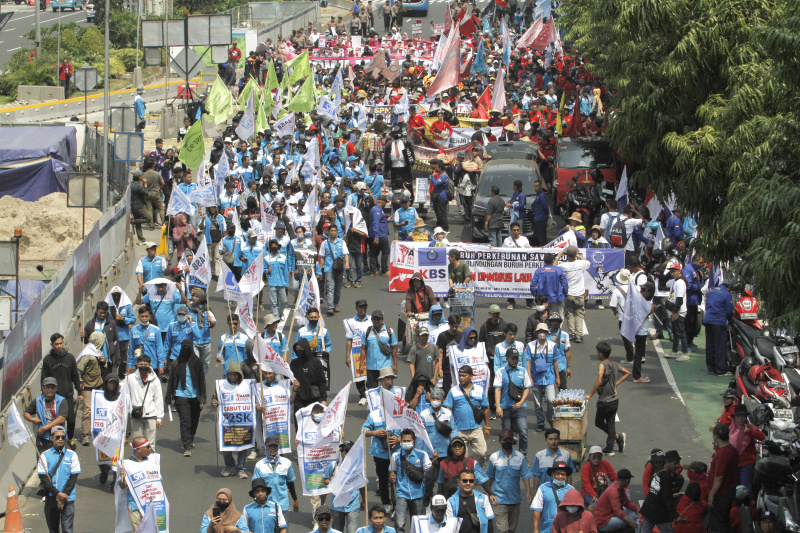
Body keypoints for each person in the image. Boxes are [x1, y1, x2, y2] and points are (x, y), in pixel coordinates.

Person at [585, 342, 629, 455]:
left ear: (601, 354)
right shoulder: (614, 364)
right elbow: (627, 373)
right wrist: (616, 384)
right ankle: (611, 445)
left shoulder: (602, 365)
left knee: (598, 422)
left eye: (597, 352)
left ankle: (616, 439)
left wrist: (590, 395)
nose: (597, 354)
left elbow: (599, 380)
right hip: (614, 400)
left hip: (604, 401)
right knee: (610, 423)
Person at [486, 429, 533, 533]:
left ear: (513, 441)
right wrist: (487, 494)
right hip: (499, 501)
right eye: (504, 440)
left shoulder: (520, 457)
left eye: (509, 440)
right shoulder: (494, 457)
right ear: (500, 441)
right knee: (503, 530)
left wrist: (528, 492)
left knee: (511, 530)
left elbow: (525, 475)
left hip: (515, 500)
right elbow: (489, 477)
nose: (507, 442)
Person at [444, 364, 491, 467]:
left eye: (464, 375)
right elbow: (448, 410)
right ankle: (465, 476)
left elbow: (485, 408)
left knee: (482, 453)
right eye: (460, 375)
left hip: (476, 428)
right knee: (461, 458)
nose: (461, 378)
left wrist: (487, 426)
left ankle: (476, 471)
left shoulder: (479, 390)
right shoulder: (453, 391)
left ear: (471, 376)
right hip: (459, 430)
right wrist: (449, 429)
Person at [165, 339, 205, 456]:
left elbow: (202, 381)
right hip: (181, 396)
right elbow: (171, 381)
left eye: (189, 347)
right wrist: (169, 397)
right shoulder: (176, 363)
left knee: (194, 419)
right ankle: (186, 445)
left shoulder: (197, 363)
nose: (186, 350)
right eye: (184, 348)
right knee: (185, 421)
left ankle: (191, 436)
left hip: (195, 396)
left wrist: (202, 398)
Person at [211, 361, 251, 479]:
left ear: (239, 375)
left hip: (242, 421)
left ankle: (240, 468)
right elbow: (215, 397)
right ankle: (229, 464)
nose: (233, 377)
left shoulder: (246, 385)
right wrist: (214, 402)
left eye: (235, 375)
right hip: (227, 422)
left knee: (243, 444)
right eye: (230, 375)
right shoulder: (221, 385)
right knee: (226, 443)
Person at [37, 425, 80, 533]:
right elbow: (44, 478)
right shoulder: (44, 456)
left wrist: (63, 497)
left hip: (67, 498)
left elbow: (73, 478)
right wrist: (57, 494)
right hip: (51, 498)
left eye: (62, 437)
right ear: (51, 438)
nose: (60, 439)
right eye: (57, 437)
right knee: (53, 529)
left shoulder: (72, 455)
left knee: (67, 530)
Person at [41, 333, 80, 448]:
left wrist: (80, 392)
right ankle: (57, 441)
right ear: (52, 345)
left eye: (60, 343)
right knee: (56, 421)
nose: (59, 346)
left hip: (67, 395)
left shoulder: (70, 358)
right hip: (54, 398)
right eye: (56, 344)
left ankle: (71, 437)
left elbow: (75, 376)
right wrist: (45, 395)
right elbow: (44, 379)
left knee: (71, 420)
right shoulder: (48, 360)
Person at [390, 429, 432, 533]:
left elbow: (430, 473)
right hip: (401, 494)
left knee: (417, 525)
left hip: (418, 494)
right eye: (404, 441)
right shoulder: (395, 456)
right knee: (399, 524)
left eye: (408, 441)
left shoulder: (422, 455)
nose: (406, 443)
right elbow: (392, 472)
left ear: (414, 440)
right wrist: (392, 477)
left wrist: (435, 463)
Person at [493, 348, 533, 455]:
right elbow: (497, 389)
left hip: (520, 408)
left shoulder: (523, 371)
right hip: (506, 408)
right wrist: (498, 406)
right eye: (513, 358)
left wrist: (520, 403)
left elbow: (527, 388)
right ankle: (508, 455)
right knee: (507, 436)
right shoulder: (500, 372)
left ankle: (522, 455)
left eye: (517, 358)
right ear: (507, 359)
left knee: (523, 433)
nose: (515, 360)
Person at [525, 323, 559, 431]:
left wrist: (558, 377)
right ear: (536, 333)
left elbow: (555, 361)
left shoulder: (553, 346)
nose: (542, 334)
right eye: (540, 331)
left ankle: (549, 417)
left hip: (549, 377)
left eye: (543, 332)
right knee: (537, 402)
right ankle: (540, 422)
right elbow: (528, 362)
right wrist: (529, 377)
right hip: (536, 378)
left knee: (551, 400)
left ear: (547, 333)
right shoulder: (530, 346)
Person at [554, 246, 591, 343]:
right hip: (579, 294)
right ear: (575, 255)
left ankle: (572, 333)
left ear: (566, 255)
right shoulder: (581, 263)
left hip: (569, 293)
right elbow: (588, 262)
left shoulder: (564, 265)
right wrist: (578, 256)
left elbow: (554, 267)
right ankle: (579, 335)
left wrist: (558, 256)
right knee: (579, 314)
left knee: (569, 314)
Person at [640, 449, 682, 533]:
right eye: (675, 463)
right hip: (659, 513)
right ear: (667, 462)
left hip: (647, 509)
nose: (677, 466)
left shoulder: (657, 471)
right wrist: (676, 516)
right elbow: (668, 499)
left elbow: (649, 484)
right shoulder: (666, 477)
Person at [707, 423, 739, 533]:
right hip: (728, 491)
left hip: (721, 494)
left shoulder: (722, 453)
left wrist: (712, 494)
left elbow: (719, 477)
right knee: (725, 521)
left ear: (716, 436)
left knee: (717, 524)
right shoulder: (732, 450)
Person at [125, 354, 164, 445]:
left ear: (150, 365)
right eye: (141, 364)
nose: (143, 367)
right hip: (136, 416)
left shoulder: (155, 380)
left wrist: (159, 418)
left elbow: (158, 399)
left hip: (151, 416)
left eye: (145, 365)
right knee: (138, 445)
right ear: (137, 365)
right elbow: (126, 396)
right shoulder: (130, 379)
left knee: (150, 445)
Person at [289, 339, 328, 425]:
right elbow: (288, 381)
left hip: (314, 399)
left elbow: (322, 382)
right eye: (297, 348)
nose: (299, 350)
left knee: (313, 424)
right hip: (299, 399)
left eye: (301, 348)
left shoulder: (315, 362)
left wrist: (324, 399)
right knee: (299, 425)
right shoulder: (294, 363)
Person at [76, 333, 106, 446]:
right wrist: (80, 386)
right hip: (87, 387)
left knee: (99, 410)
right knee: (87, 410)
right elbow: (79, 370)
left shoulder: (98, 353)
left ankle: (98, 432)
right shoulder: (87, 354)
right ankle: (85, 435)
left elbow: (103, 369)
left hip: (99, 386)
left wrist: (104, 363)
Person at [729, 403, 764, 496]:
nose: (741, 418)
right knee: (732, 488)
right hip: (733, 463)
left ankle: (748, 508)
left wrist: (750, 431)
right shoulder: (731, 429)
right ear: (734, 417)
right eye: (738, 416)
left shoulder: (750, 428)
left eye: (743, 416)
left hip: (747, 464)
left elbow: (762, 437)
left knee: (746, 490)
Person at [446, 469, 496, 533]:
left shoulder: (483, 498)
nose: (468, 483)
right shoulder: (451, 501)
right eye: (464, 481)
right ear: (458, 482)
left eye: (471, 481)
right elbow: (449, 526)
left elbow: (489, 522)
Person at [25, 377, 68, 452]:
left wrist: (44, 428)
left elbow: (61, 419)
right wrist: (32, 419)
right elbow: (26, 413)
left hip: (58, 437)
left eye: (52, 387)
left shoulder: (61, 400)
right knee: (43, 461)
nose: (50, 390)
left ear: (56, 388)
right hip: (43, 438)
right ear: (43, 388)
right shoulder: (38, 401)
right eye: (48, 387)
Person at [531, 461, 575, 533]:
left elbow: (576, 510)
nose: (560, 477)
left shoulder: (571, 490)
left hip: (567, 529)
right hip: (547, 529)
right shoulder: (543, 488)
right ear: (552, 474)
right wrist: (535, 529)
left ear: (566, 475)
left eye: (563, 474)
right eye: (557, 474)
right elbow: (537, 509)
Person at [361, 310, 399, 388]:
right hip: (371, 366)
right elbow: (363, 349)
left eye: (378, 319)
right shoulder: (367, 332)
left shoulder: (389, 331)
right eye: (374, 319)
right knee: (372, 391)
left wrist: (395, 365)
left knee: (386, 389)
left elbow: (394, 349)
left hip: (385, 366)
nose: (376, 321)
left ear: (382, 319)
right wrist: (361, 365)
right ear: (371, 320)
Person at [704, 281, 734, 376]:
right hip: (718, 322)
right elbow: (729, 310)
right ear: (729, 287)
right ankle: (721, 370)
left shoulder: (712, 291)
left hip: (708, 320)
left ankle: (711, 368)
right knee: (720, 346)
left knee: (710, 345)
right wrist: (730, 319)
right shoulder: (727, 294)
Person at [321, 223, 351, 316]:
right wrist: (319, 269)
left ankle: (335, 304)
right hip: (328, 268)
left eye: (334, 231)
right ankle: (330, 307)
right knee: (330, 288)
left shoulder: (341, 242)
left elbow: (346, 254)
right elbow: (322, 257)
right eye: (331, 231)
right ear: (328, 232)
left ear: (337, 232)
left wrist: (346, 264)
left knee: (338, 289)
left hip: (339, 268)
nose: (333, 232)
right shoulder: (324, 243)